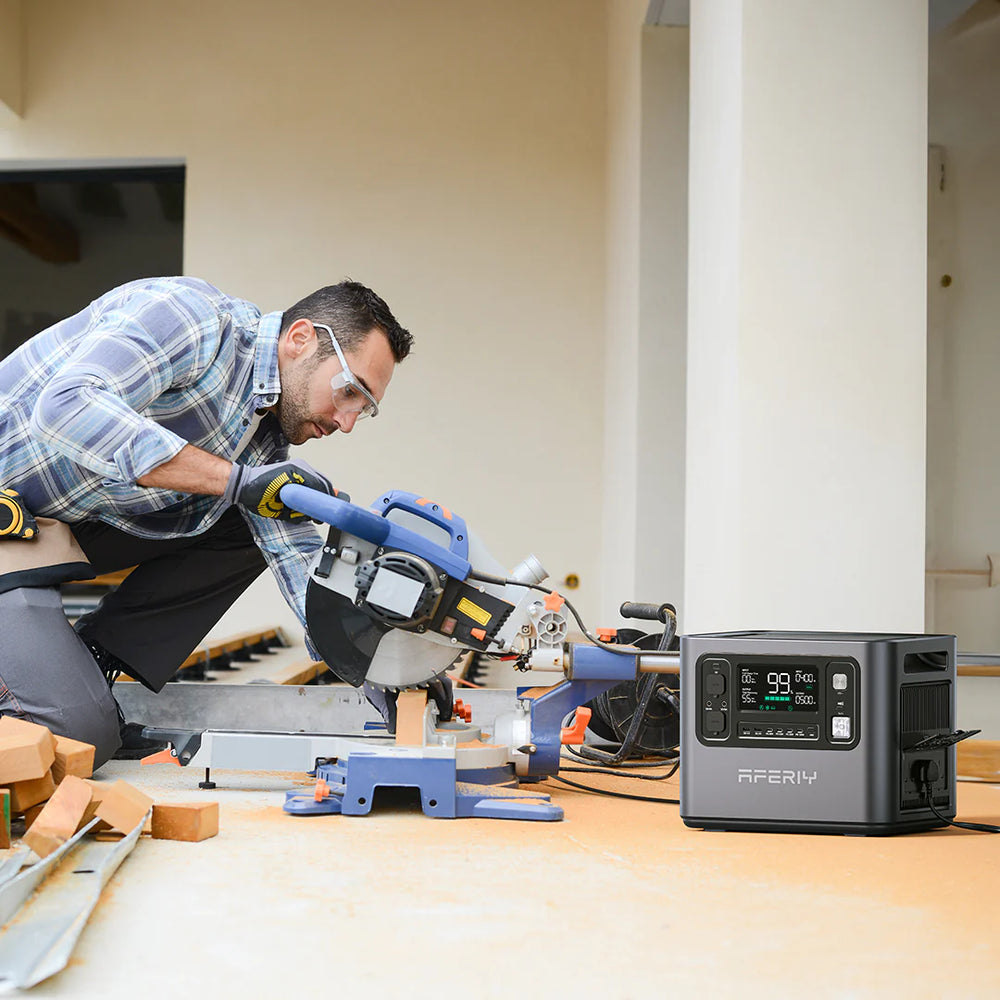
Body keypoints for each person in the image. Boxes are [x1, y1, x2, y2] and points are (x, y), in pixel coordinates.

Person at [0, 275, 411, 767]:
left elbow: (297, 559)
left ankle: (88, 667)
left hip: (44, 528)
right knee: (79, 738)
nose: (346, 422)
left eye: (364, 409)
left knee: (256, 511)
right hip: (8, 520)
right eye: (349, 391)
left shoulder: (265, 436)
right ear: (300, 339)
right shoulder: (191, 319)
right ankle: (62, 701)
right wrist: (234, 481)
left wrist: (380, 664)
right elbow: (66, 407)